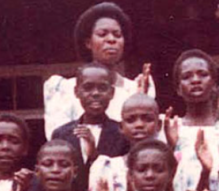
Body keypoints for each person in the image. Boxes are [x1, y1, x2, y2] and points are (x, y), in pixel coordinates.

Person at [43, 1, 155, 139]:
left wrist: (140, 100)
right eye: (102, 34)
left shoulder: (135, 88)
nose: (111, 39)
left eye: (117, 35)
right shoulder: (64, 88)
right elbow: (56, 138)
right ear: (88, 43)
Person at [52, 63, 130, 191]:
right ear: (76, 92)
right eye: (88, 88)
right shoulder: (62, 134)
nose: (95, 93)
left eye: (102, 88)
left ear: (112, 93)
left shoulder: (122, 132)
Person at [88, 93, 161, 191]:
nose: (139, 125)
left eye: (147, 119)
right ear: (121, 127)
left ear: (159, 125)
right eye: (131, 120)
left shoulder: (169, 166)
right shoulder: (106, 168)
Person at [164, 49, 219, 191]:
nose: (195, 80)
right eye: (187, 77)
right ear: (178, 89)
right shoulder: (170, 129)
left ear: (214, 84)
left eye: (203, 74)